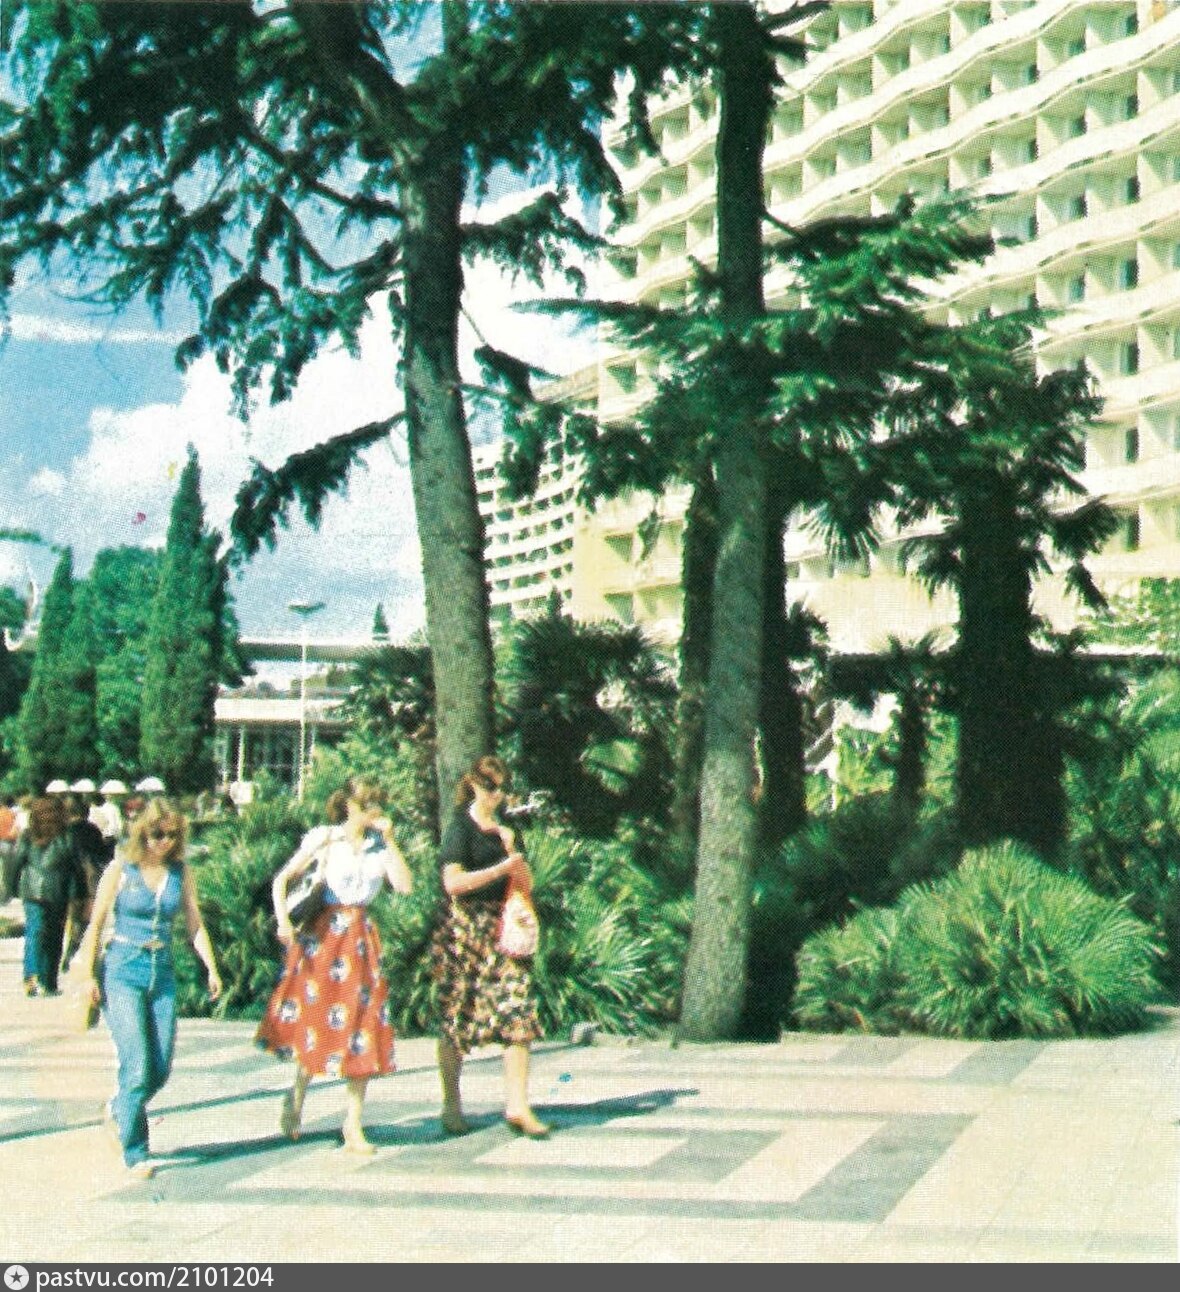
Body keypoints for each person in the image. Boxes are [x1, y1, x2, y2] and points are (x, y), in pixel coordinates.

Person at [256, 777, 413, 1155]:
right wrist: (283, 923)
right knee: (317, 1019)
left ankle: (353, 1123)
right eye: (367, 803)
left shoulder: (379, 846)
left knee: (364, 1025)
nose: (374, 810)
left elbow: (405, 886)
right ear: (349, 805)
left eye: (377, 803)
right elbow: (282, 879)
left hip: (360, 939)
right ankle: (297, 1094)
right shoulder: (325, 838)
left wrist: (391, 841)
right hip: (324, 938)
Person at [69, 798, 222, 1179]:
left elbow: (194, 922)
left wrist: (211, 967)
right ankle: (135, 1150)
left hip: (161, 971)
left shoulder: (180, 872)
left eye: (172, 835)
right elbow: (96, 922)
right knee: (137, 1063)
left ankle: (119, 1109)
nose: (164, 841)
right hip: (123, 969)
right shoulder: (122, 868)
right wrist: (88, 974)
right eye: (157, 834)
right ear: (143, 832)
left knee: (160, 1066)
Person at [431, 755, 548, 1140]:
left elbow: (526, 882)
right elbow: (453, 883)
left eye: (502, 788)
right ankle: (451, 1103)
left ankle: (518, 1104)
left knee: (518, 1007)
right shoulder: (460, 828)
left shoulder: (507, 830)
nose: (497, 795)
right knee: (456, 1015)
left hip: (503, 927)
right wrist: (499, 869)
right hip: (464, 929)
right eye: (490, 787)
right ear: (474, 785)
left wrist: (513, 854)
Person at [7, 795, 89, 997]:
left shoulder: (28, 835)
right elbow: (77, 867)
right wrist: (81, 893)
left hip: (32, 890)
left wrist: (11, 887)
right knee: (54, 935)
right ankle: (49, 981)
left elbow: (16, 862)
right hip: (58, 891)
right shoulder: (66, 835)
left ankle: (31, 974)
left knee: (34, 931)